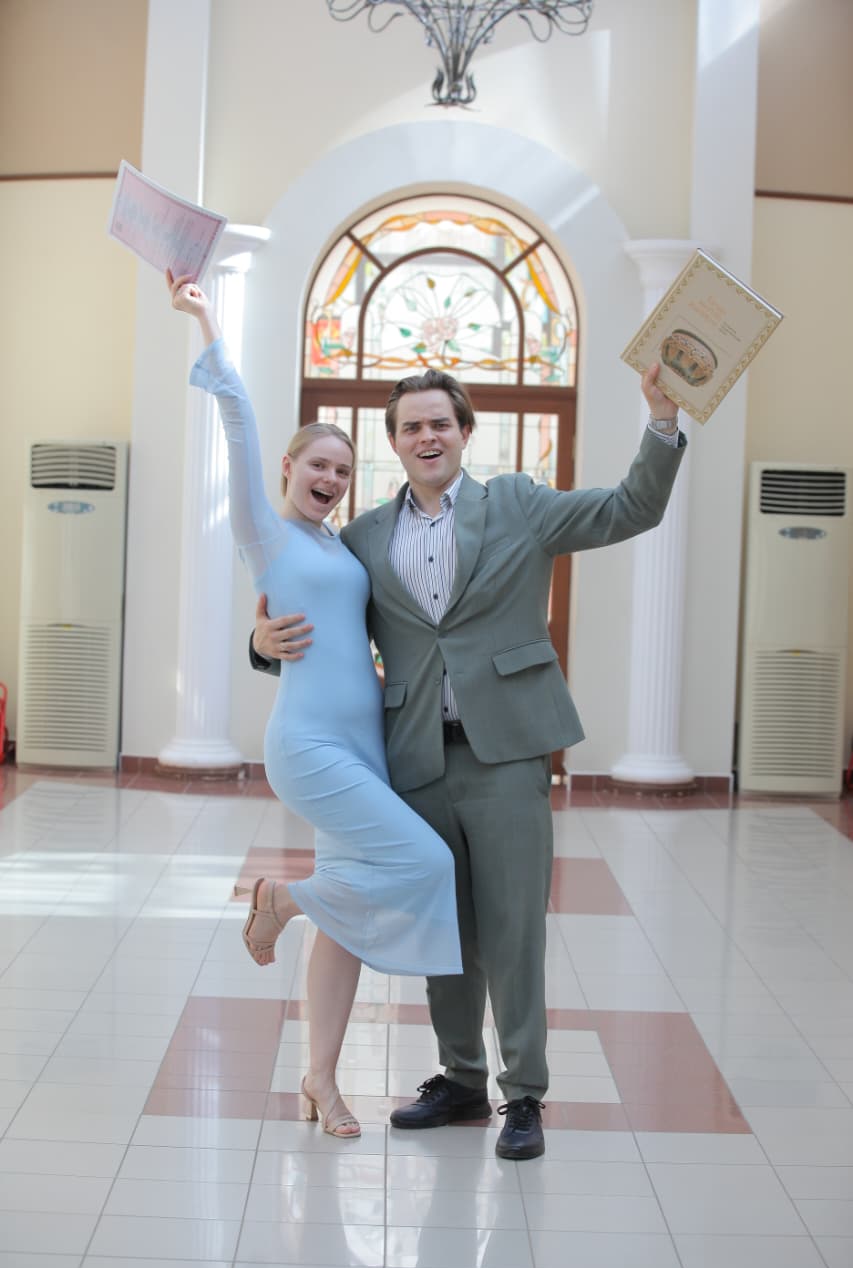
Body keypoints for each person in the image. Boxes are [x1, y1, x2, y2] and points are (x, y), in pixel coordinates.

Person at [251, 358, 685, 1160]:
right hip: (413, 752)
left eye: (439, 424)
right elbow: (325, 625)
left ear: (463, 433)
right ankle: (459, 1078)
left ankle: (523, 1095)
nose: (427, 436)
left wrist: (660, 421)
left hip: (507, 750)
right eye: (411, 426)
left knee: (513, 929)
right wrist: (259, 642)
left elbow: (631, 507)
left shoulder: (517, 504)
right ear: (393, 441)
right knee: (441, 924)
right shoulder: (363, 538)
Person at [166, 271, 463, 1141]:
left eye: (341, 469)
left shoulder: (343, 546)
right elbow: (236, 418)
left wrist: (265, 639)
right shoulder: (265, 534)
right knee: (425, 862)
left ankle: (320, 1082)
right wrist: (205, 318)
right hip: (308, 745)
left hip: (364, 745)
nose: (328, 477)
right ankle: (281, 899)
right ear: (287, 470)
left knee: (349, 920)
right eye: (315, 465)